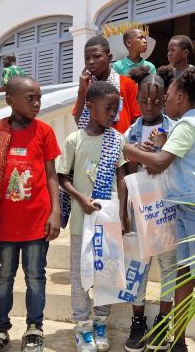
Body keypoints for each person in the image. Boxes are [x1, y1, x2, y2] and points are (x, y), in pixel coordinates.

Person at [124, 68, 195, 352]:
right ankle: (178, 340)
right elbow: (168, 156)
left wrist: (130, 150)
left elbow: (161, 162)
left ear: (180, 97)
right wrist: (156, 146)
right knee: (184, 273)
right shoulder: (189, 125)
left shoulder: (187, 126)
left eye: (169, 94)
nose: (166, 100)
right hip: (187, 207)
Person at [0, 76, 62, 352]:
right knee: (3, 278)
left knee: (35, 276)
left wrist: (56, 211)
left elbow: (51, 175)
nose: (37, 103)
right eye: (30, 98)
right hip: (3, 225)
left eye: (39, 98)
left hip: (36, 222)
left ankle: (35, 328)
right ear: (10, 100)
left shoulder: (44, 132)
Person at [58, 81, 129, 352]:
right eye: (108, 108)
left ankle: (100, 321)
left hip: (108, 219)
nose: (113, 114)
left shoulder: (117, 139)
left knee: (105, 273)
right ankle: (82, 325)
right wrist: (80, 198)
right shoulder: (74, 139)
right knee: (80, 275)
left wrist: (122, 213)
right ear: (90, 107)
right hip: (81, 220)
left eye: (115, 109)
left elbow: (121, 177)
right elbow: (63, 177)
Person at [123, 66, 176, 352]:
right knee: (139, 264)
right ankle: (138, 320)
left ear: (165, 99)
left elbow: (178, 164)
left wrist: (162, 151)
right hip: (139, 209)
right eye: (144, 101)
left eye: (156, 101)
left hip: (167, 207)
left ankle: (164, 320)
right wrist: (137, 154)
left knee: (168, 263)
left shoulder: (175, 128)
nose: (150, 106)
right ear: (137, 100)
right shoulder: (130, 131)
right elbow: (125, 173)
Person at [73, 35, 141, 134]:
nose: (91, 61)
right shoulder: (86, 86)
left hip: (121, 141)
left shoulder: (127, 83)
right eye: (87, 58)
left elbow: (136, 119)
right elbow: (79, 121)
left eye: (96, 56)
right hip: (91, 140)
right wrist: (82, 90)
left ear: (109, 57)